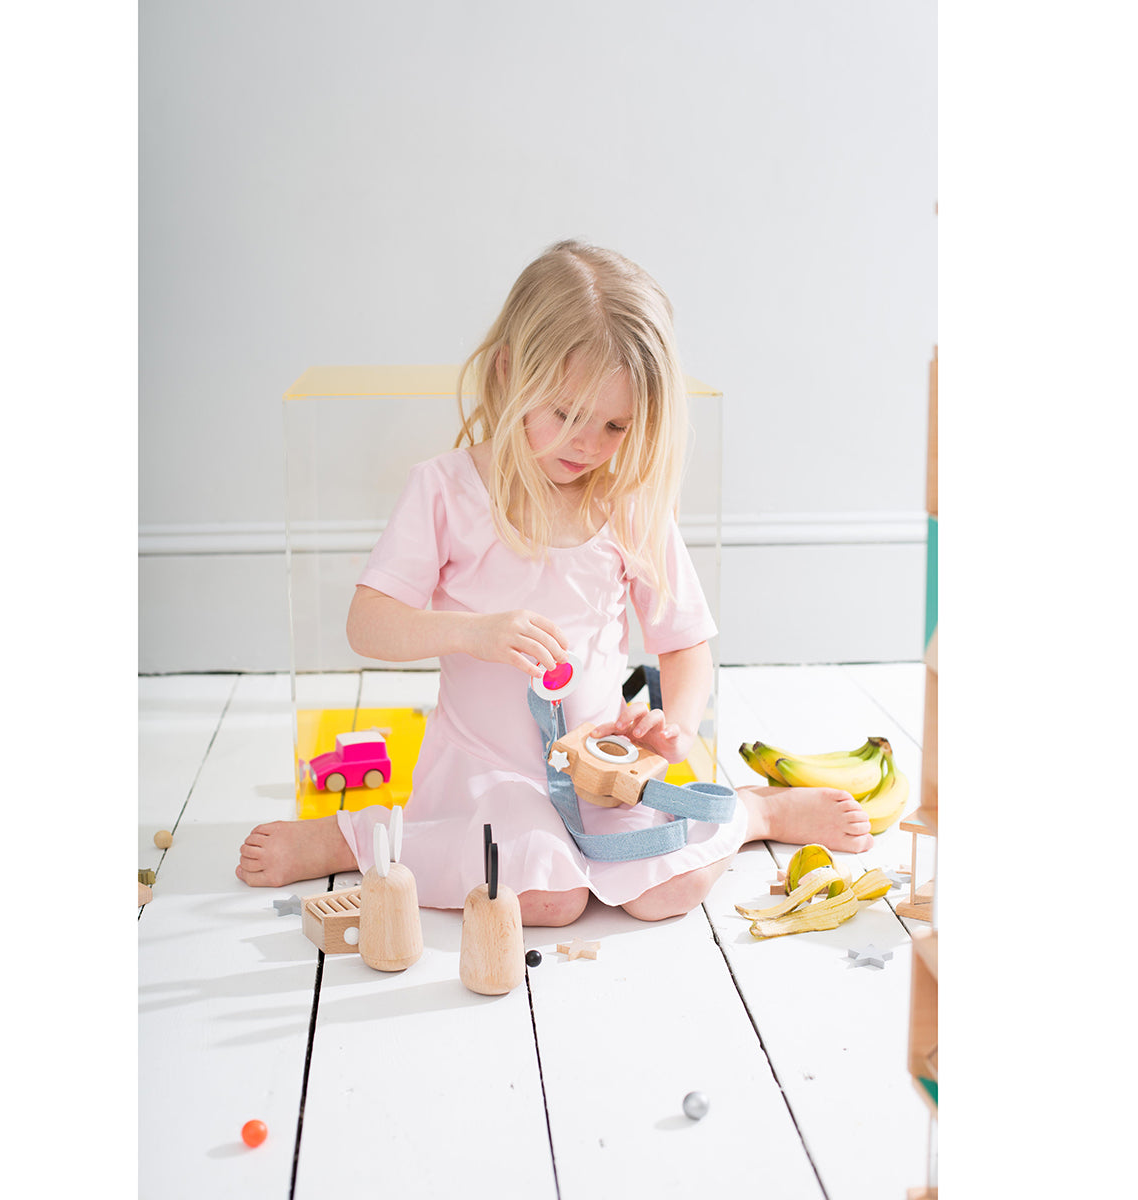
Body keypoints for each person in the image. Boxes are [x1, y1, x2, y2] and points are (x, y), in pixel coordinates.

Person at [236, 240, 873, 925]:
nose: (587, 444)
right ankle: (355, 837)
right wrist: (473, 633)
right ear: (510, 371)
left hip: (602, 768)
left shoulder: (629, 505)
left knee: (668, 891)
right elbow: (369, 624)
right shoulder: (445, 489)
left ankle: (754, 812)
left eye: (616, 425)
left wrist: (676, 728)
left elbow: (685, 644)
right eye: (566, 414)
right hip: (486, 770)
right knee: (547, 898)